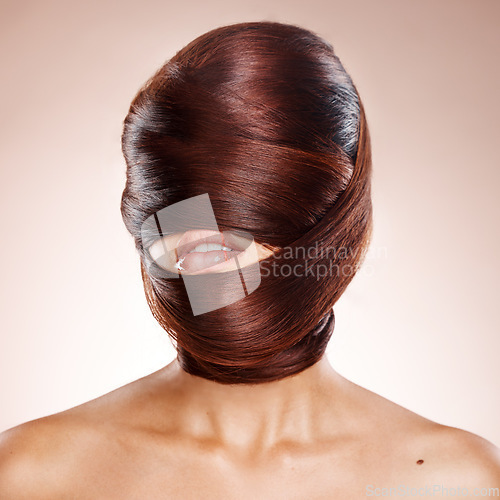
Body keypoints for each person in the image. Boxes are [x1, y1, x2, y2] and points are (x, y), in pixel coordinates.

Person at [1, 20, 499, 499]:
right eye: (191, 235)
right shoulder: (35, 474)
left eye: (241, 224)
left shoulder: (454, 482)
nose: (209, 247)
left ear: (334, 229)